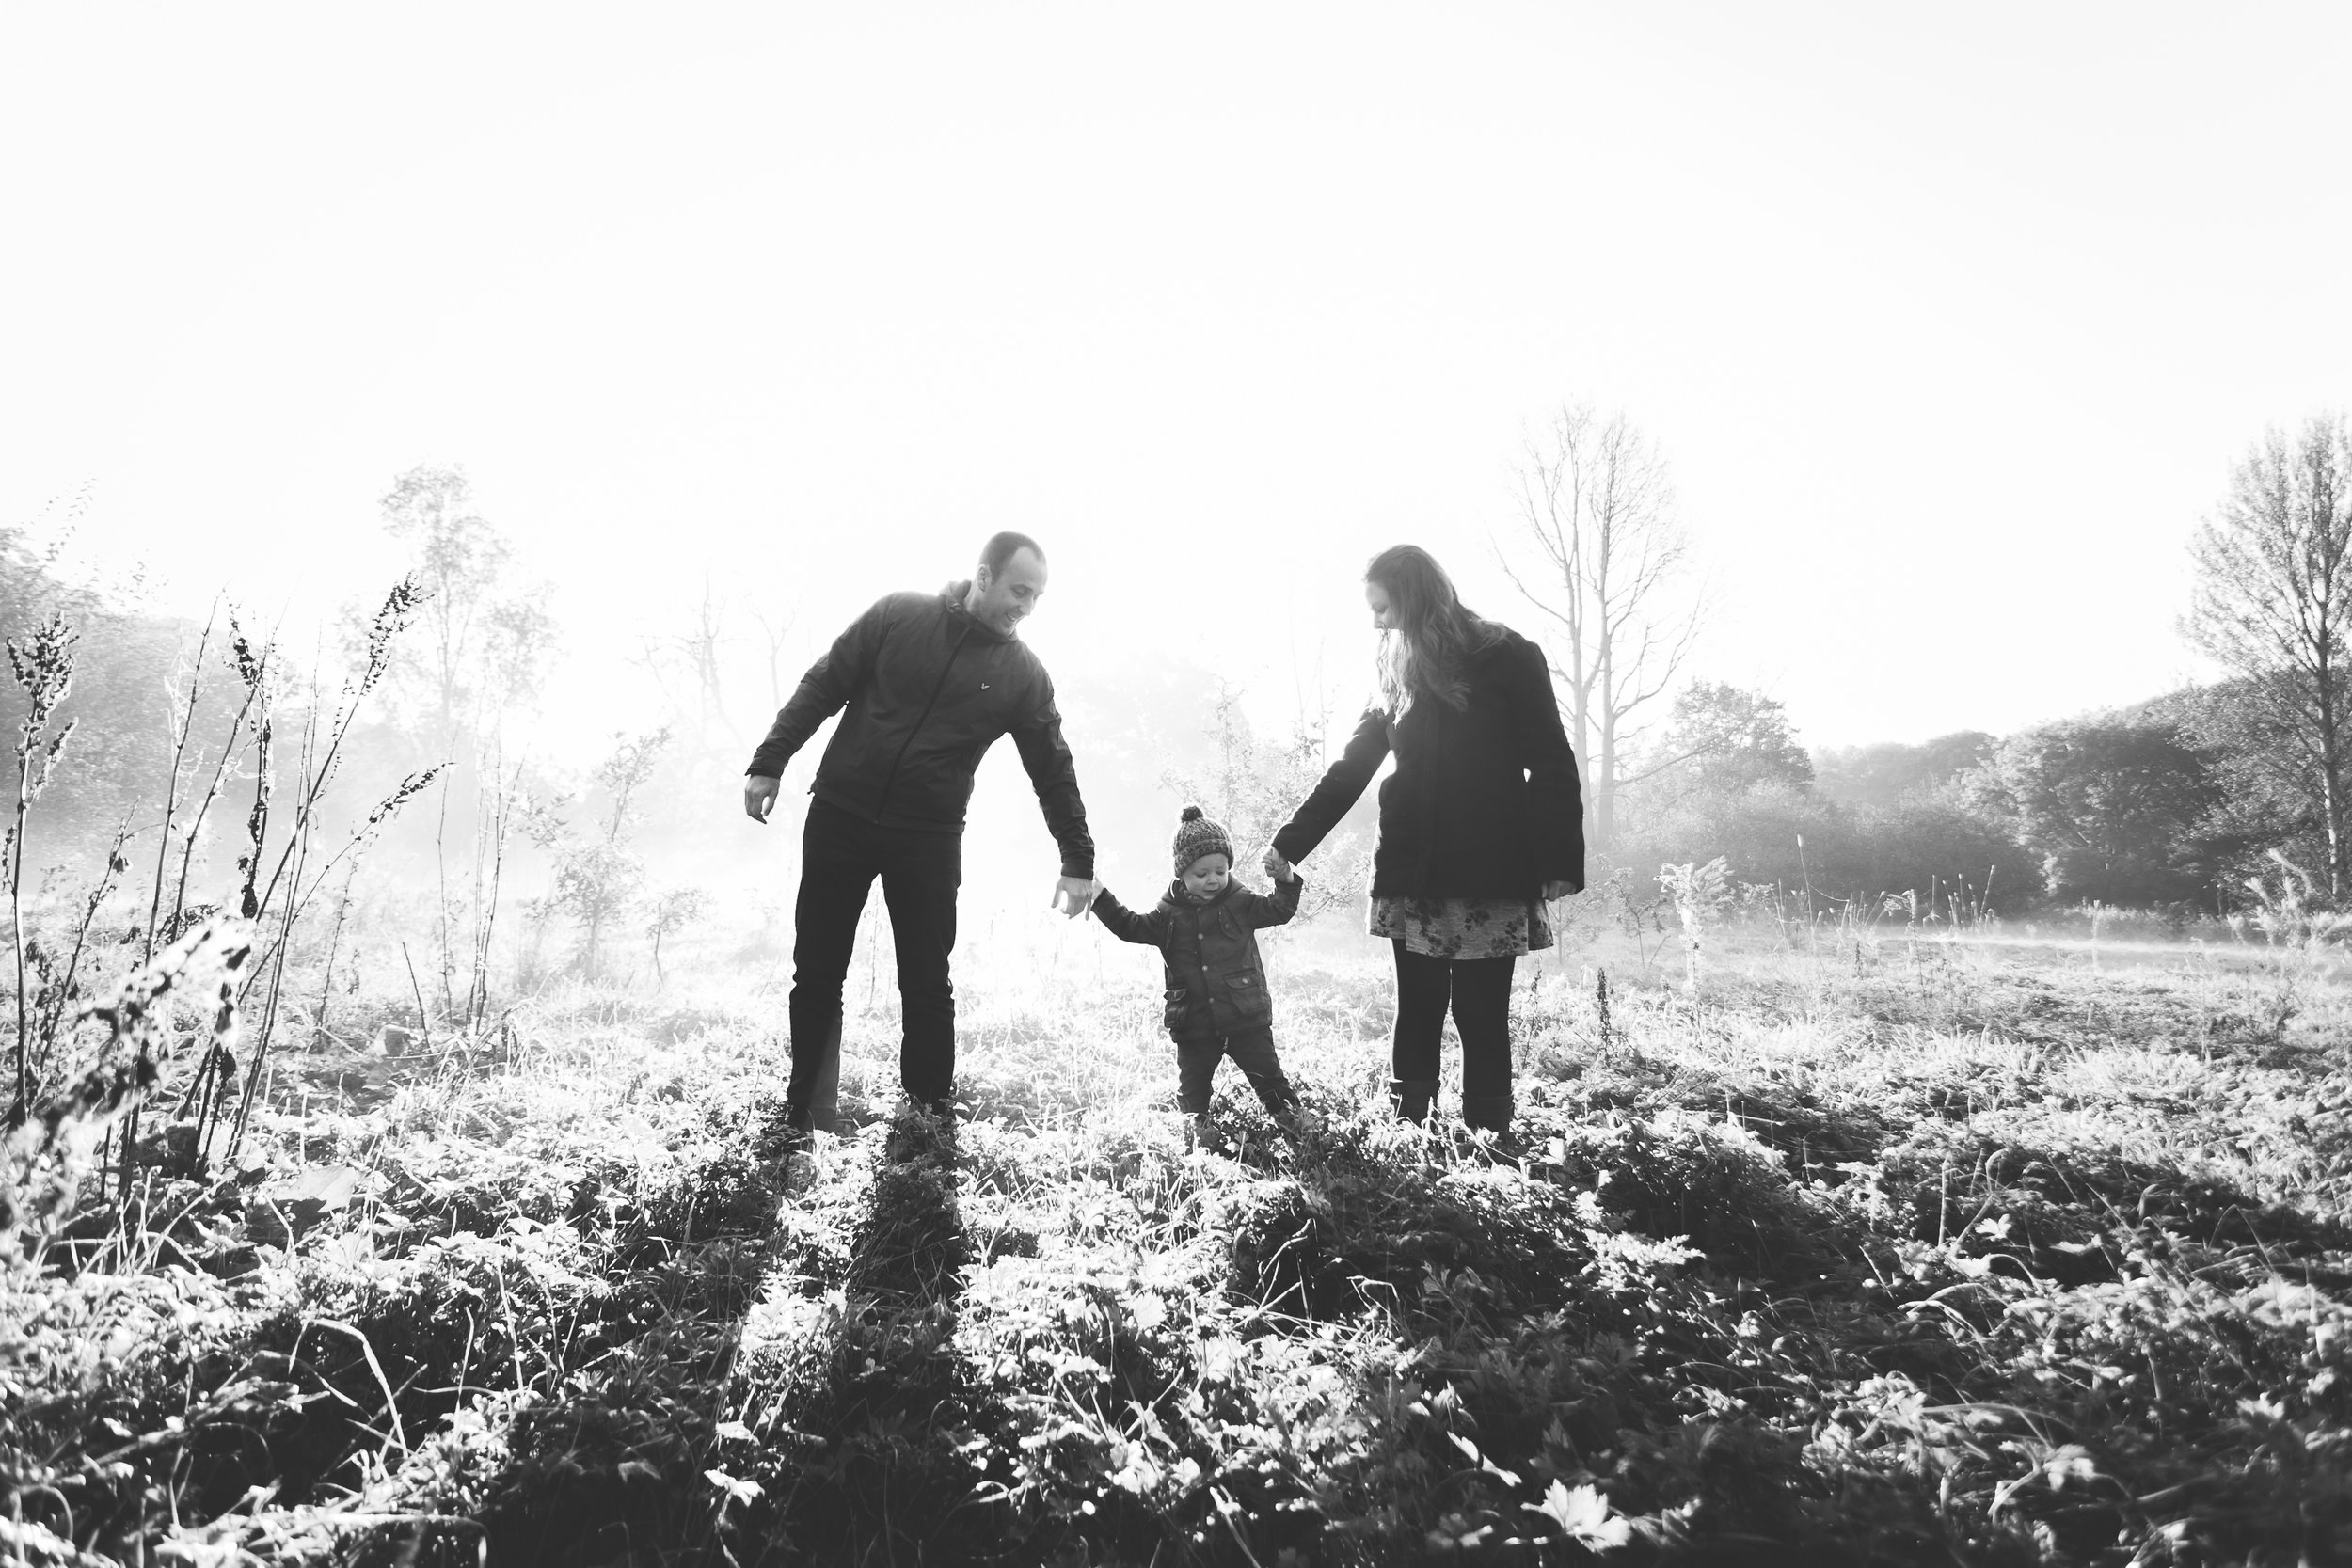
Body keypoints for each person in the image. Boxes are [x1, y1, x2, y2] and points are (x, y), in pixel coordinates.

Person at [742, 531, 1097, 1138]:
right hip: (841, 816)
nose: (1026, 608)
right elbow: (824, 683)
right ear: (983, 575)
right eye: (1018, 591)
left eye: (1036, 597)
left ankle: (926, 1126)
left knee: (927, 983)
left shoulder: (1023, 675)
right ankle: (804, 1114)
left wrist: (1077, 857)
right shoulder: (898, 614)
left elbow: (1053, 769)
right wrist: (770, 759)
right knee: (818, 970)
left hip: (928, 837)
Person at [1265, 545, 1582, 1139]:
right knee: (1418, 1007)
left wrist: (1560, 856)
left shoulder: (1508, 655)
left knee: (1483, 1013)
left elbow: (1551, 759)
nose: (1377, 622)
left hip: (1493, 869)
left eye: (1382, 607)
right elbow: (1353, 766)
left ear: (1410, 596)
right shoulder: (1393, 668)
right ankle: (1409, 1131)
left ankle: (1490, 1138)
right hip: (1414, 871)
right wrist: (1290, 841)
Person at [1089, 805, 1303, 1150]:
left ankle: (1302, 1136)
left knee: (1272, 1084)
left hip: (1245, 1019)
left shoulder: (1241, 902)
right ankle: (1198, 1150)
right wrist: (1100, 896)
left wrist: (1285, 879)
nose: (1213, 880)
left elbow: (1280, 909)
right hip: (1195, 1027)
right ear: (1182, 873)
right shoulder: (1166, 915)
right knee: (1193, 1097)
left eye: (1220, 870)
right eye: (1201, 873)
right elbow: (1129, 926)